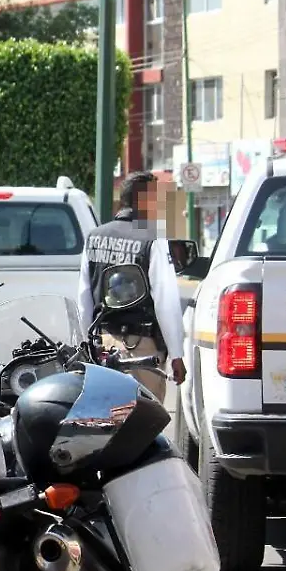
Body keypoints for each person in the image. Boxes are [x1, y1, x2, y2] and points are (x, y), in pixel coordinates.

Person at [78, 172, 186, 401]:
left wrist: (87, 345)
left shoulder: (95, 236)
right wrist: (177, 355)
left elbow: (84, 298)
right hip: (141, 350)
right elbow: (165, 303)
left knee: (108, 419)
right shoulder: (153, 239)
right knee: (144, 422)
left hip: (104, 346)